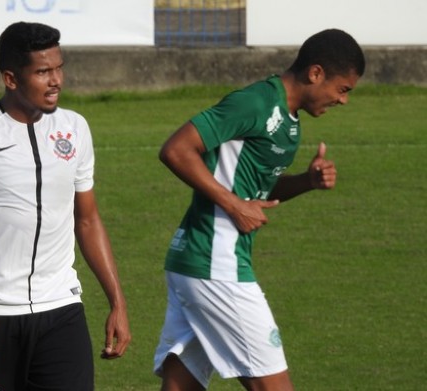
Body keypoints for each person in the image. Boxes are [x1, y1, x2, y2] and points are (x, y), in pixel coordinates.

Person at [153, 29, 365, 391]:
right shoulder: (254, 103)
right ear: (315, 73)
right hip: (216, 263)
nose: (342, 101)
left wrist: (305, 182)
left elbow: (256, 189)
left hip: (197, 261)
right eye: (342, 90)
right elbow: (176, 150)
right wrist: (234, 205)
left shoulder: (291, 122)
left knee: (181, 384)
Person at [0, 21, 131, 391]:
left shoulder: (74, 128)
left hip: (61, 309)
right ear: (10, 78)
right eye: (42, 72)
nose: (56, 80)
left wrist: (117, 302)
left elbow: (87, 221)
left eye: (59, 68)